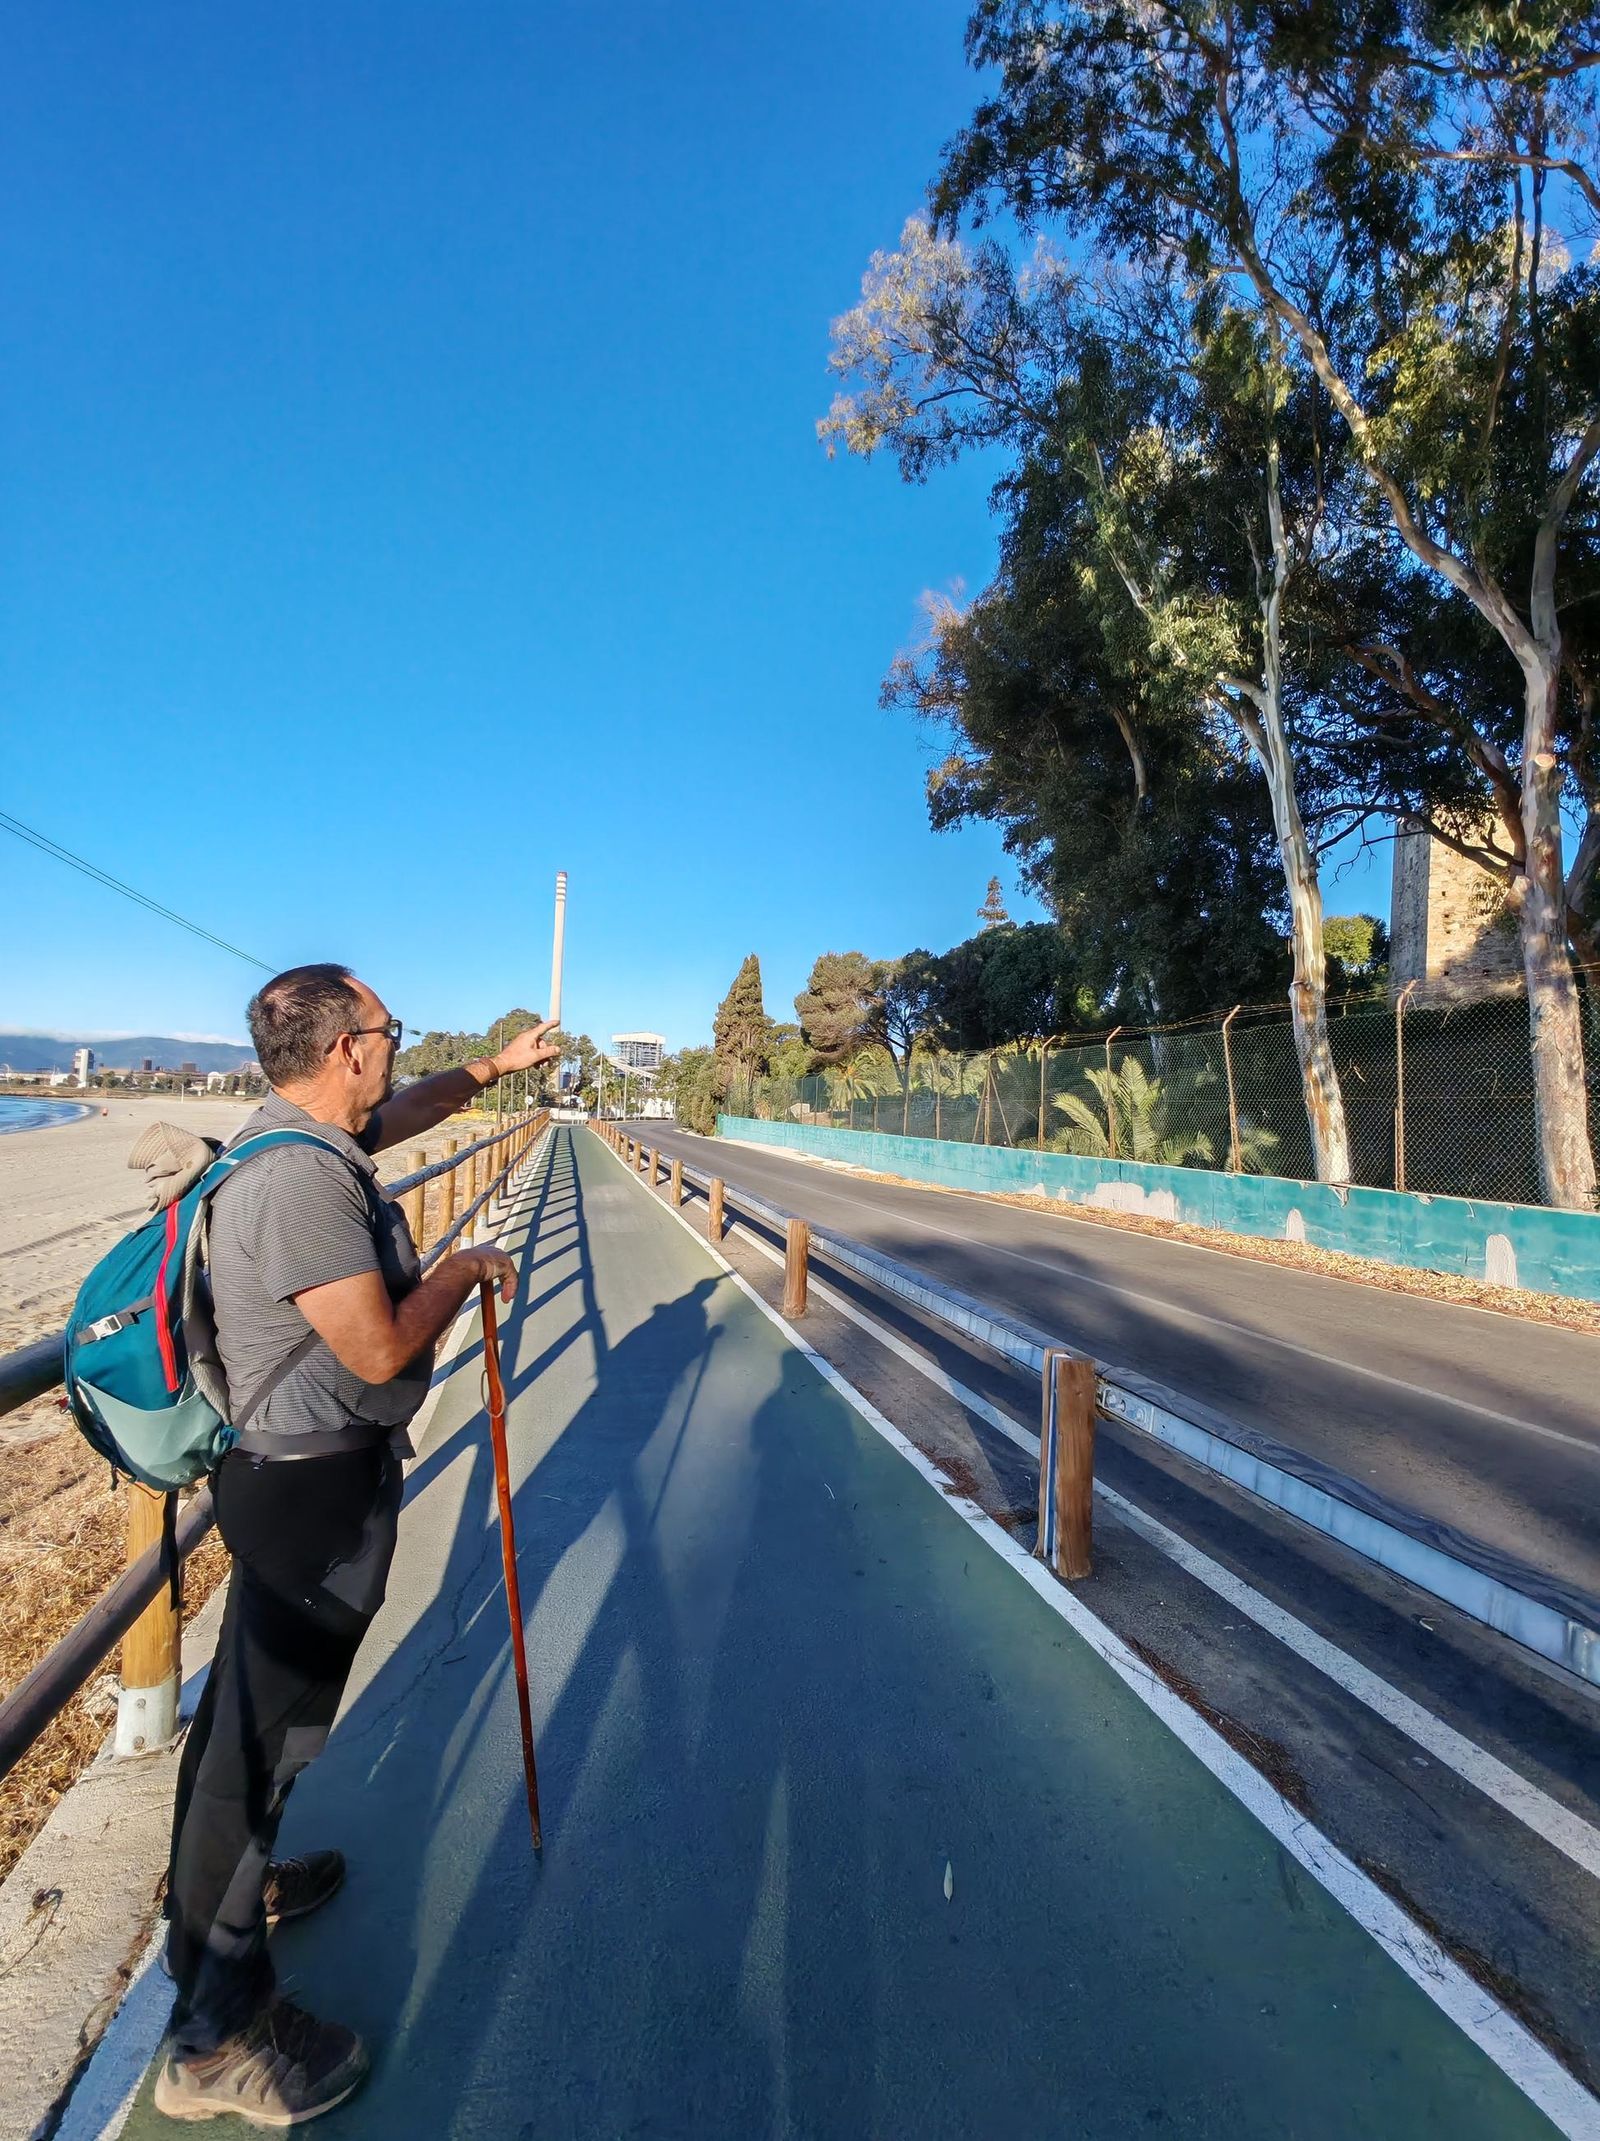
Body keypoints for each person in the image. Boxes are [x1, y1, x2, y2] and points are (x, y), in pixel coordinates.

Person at [155, 963, 558, 2127]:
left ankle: (238, 1883)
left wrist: (493, 1069)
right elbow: (378, 1348)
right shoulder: (296, 1182)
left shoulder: (309, 1132)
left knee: (256, 1727)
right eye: (390, 1031)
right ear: (345, 1049)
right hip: (306, 1493)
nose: (397, 1048)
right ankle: (214, 2033)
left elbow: (413, 1108)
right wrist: (465, 1270)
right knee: (259, 1743)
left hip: (310, 1484)